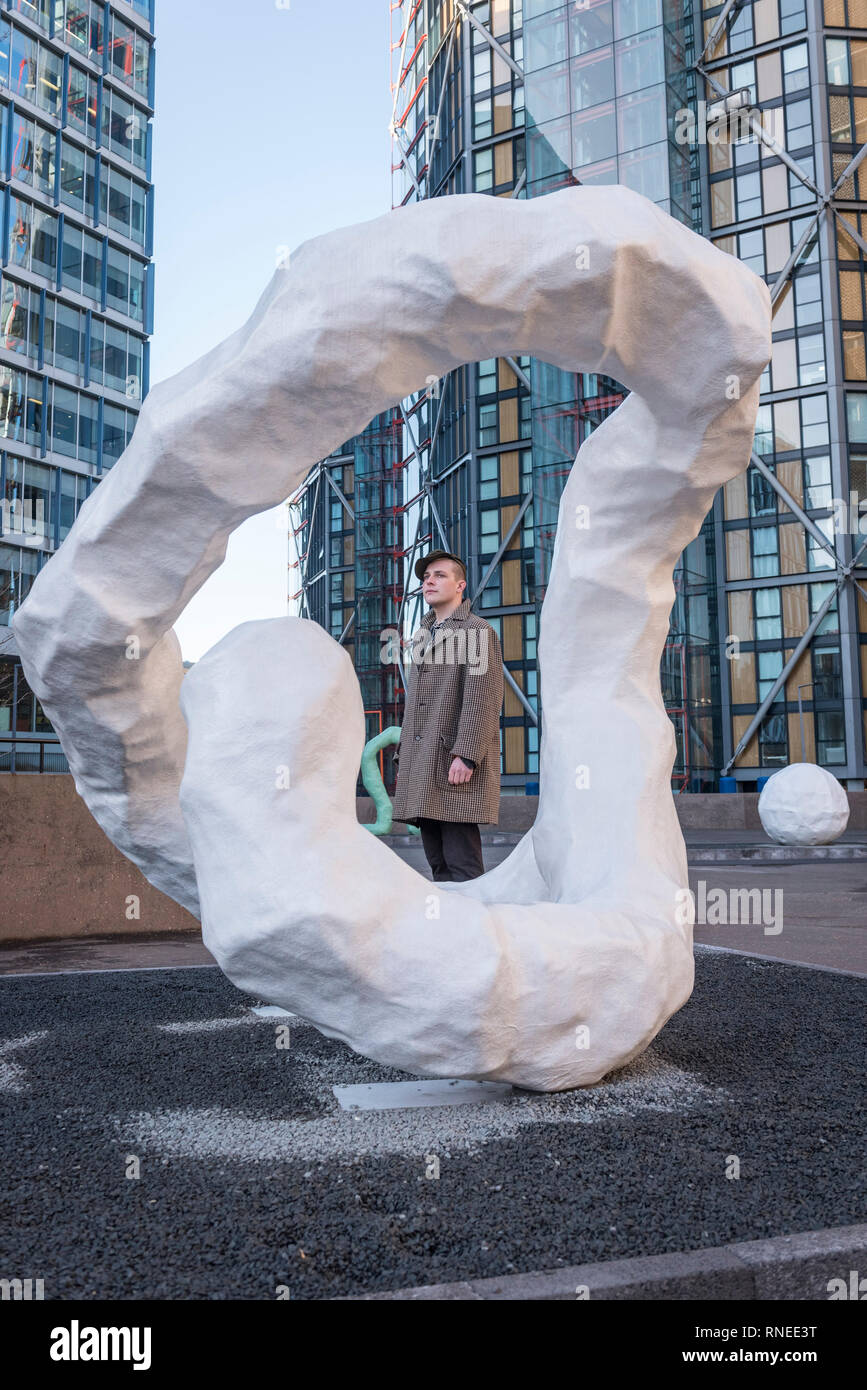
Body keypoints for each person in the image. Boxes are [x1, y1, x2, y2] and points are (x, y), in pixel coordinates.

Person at [391, 549, 504, 882]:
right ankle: (446, 917)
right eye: (426, 577)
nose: (429, 581)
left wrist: (466, 755)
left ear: (460, 586)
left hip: (453, 759)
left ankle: (474, 917)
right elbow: (417, 704)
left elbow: (482, 698)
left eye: (439, 575)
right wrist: (404, 756)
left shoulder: (477, 631)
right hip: (422, 760)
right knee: (438, 863)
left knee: (462, 863)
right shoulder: (423, 637)